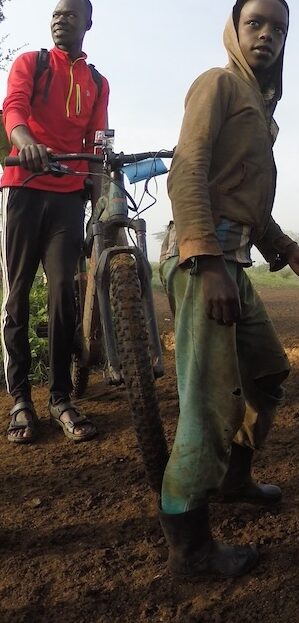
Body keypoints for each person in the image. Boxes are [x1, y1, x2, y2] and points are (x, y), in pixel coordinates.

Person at [157, 0, 299, 579]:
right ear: (233, 30)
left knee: (266, 373)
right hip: (204, 259)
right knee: (208, 402)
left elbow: (246, 202)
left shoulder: (258, 107)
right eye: (256, 24)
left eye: (279, 29)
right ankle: (191, 548)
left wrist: (286, 251)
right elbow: (188, 170)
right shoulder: (218, 85)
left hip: (233, 259)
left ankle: (234, 479)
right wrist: (204, 262)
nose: (268, 36)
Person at [1, 0, 108, 444]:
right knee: (18, 293)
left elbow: (97, 139)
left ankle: (60, 395)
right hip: (24, 187)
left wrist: (101, 195)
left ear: (88, 22)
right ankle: (21, 397)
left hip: (67, 197)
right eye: (55, 14)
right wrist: (25, 141)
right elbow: (14, 108)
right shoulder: (32, 62)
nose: (60, 19)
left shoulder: (97, 82)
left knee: (64, 291)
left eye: (69, 14)